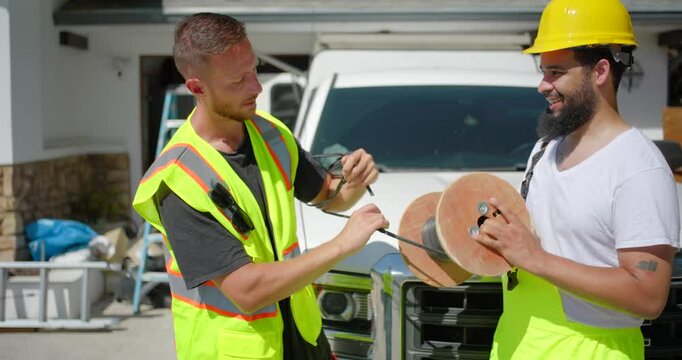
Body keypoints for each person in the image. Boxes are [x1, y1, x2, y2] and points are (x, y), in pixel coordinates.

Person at [132, 13, 388, 360]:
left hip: (304, 338)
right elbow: (247, 291)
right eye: (238, 80)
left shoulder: (270, 133)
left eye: (254, 69)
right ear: (196, 88)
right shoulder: (178, 181)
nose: (256, 87)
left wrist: (356, 181)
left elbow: (330, 195)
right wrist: (342, 245)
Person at [473, 0, 680, 359]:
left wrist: (533, 256)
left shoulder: (638, 168)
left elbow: (648, 296)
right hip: (517, 343)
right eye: (543, 71)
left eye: (555, 72)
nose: (542, 85)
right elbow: (537, 249)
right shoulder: (544, 149)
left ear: (599, 71)